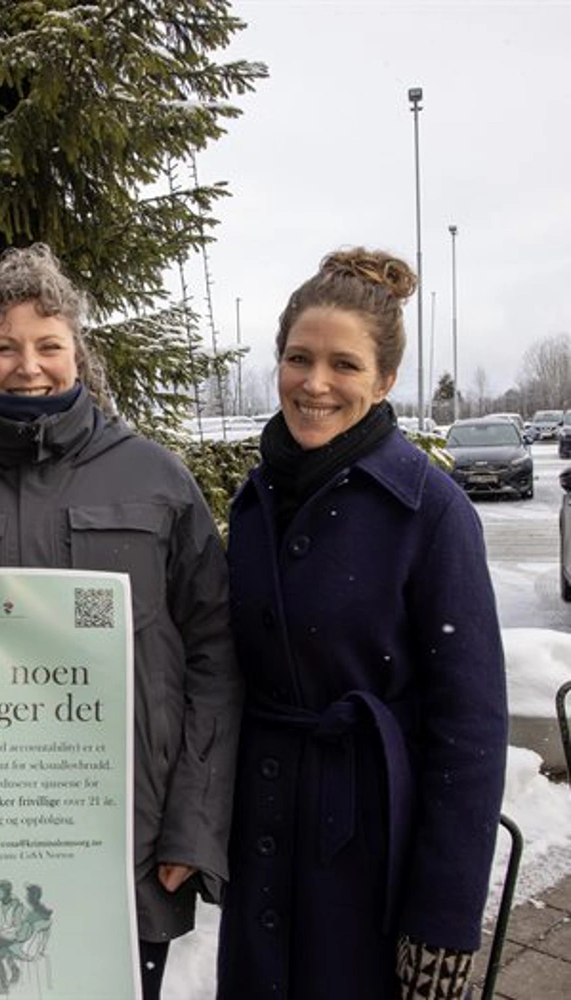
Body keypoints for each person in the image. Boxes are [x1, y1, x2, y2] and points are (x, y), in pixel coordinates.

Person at [0, 243, 242, 999]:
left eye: (48, 345)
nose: (27, 364)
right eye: (4, 346)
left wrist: (192, 830)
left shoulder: (156, 480)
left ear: (79, 355)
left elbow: (216, 655)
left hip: (125, 847)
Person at [215, 249, 508, 999]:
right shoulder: (254, 504)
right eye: (297, 358)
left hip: (374, 854)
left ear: (383, 382)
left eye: (343, 365)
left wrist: (443, 918)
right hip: (266, 838)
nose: (315, 384)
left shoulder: (431, 512)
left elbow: (470, 731)